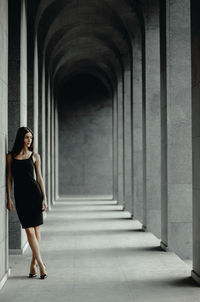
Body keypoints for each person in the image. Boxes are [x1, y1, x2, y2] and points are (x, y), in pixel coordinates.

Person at [6, 126, 48, 279]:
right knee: (29, 231)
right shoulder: (11, 157)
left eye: (31, 138)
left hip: (35, 195)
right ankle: (41, 264)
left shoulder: (35, 156)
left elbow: (40, 178)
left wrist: (45, 198)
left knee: (36, 231)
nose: (29, 140)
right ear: (20, 138)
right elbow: (9, 178)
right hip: (21, 197)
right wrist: (8, 197)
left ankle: (33, 265)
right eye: (26, 137)